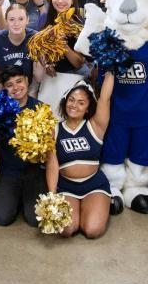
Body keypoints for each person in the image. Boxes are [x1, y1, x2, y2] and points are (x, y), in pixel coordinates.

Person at [45, 76, 112, 239]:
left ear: (88, 108)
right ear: (65, 101)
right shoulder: (54, 130)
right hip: (67, 187)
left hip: (94, 185)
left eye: (81, 102)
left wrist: (112, 66)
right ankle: (82, 209)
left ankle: (99, 204)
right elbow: (52, 165)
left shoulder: (95, 125)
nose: (74, 105)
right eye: (71, 100)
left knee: (92, 230)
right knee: (66, 229)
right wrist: (52, 197)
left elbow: (105, 98)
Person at [0, 67, 47, 226]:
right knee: (2, 218)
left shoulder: (40, 108)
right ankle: (13, 196)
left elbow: (50, 148)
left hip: (34, 171)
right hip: (9, 171)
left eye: (19, 81)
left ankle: (24, 197)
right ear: (4, 89)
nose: (15, 88)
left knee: (35, 220)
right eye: (9, 85)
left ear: (27, 81)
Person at [0, 4, 43, 91]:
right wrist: (5, 100)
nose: (16, 24)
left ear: (27, 20)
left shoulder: (36, 39)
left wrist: (30, 99)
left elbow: (38, 79)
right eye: (11, 19)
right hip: (6, 88)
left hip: (30, 87)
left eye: (21, 19)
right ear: (6, 21)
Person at [38, 0, 86, 78]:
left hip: (75, 75)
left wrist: (63, 45)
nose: (60, 1)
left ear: (72, 0)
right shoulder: (44, 18)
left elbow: (79, 63)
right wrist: (46, 64)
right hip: (51, 76)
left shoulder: (79, 23)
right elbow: (40, 50)